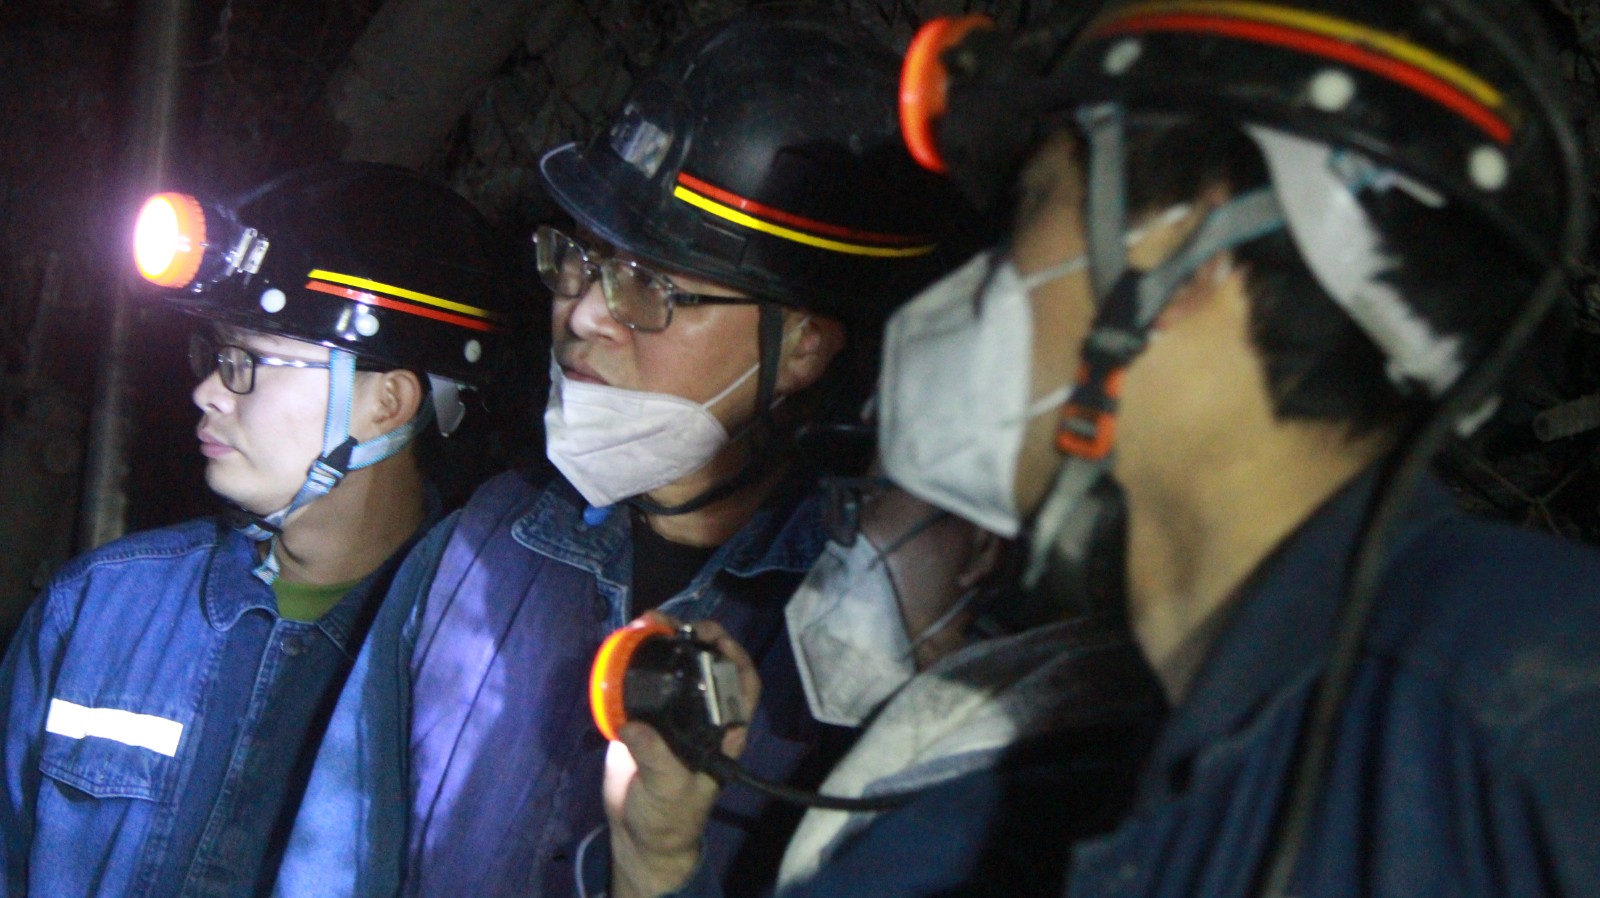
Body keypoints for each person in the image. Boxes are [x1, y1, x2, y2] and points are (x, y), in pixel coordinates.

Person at [609, 0, 1600, 896]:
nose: (977, 290)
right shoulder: (1087, 790)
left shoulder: (1524, 694)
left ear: (1188, 252)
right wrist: (657, 868)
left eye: (1031, 210)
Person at [267, 8, 969, 898]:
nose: (586, 312)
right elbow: (335, 859)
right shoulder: (490, 542)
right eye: (579, 259)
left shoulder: (876, 627)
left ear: (802, 348)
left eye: (649, 285)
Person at [0, 162, 527, 896]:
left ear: (388, 404)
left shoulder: (475, 670)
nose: (207, 391)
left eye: (248, 362)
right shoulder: (98, 608)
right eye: (215, 355)